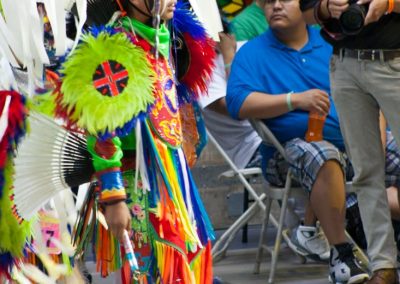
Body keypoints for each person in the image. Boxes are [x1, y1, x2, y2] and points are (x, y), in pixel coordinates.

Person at [54, 0, 215, 282]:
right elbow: (101, 126)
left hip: (172, 178)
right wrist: (114, 198)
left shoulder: (164, 35)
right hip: (138, 182)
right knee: (156, 266)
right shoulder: (115, 47)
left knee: (187, 259)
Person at [226, 0, 374, 282]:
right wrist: (294, 100)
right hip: (285, 153)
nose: (276, 6)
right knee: (323, 155)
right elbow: (237, 102)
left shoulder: (331, 41)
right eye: (269, 2)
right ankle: (342, 256)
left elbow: (367, 89)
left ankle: (379, 246)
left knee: (390, 153)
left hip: (353, 143)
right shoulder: (252, 52)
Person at [299, 0, 400, 282]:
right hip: (345, 66)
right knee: (366, 172)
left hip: (393, 59)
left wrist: (388, 4)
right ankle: (383, 266)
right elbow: (306, 12)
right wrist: (326, 8)